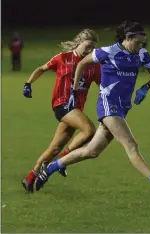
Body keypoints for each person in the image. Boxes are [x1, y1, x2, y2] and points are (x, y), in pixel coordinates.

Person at [36, 21, 150, 197]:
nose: (140, 46)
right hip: (108, 107)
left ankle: (51, 167)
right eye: (137, 42)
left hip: (122, 109)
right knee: (131, 146)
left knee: (92, 151)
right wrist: (74, 90)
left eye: (142, 43)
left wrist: (145, 87)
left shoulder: (142, 55)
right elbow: (82, 63)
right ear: (128, 38)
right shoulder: (108, 52)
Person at [22, 29, 101, 193]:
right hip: (62, 105)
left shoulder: (93, 66)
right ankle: (62, 162)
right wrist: (28, 84)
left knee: (54, 148)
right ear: (79, 42)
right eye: (87, 47)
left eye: (92, 48)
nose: (89, 51)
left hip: (75, 111)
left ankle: (30, 179)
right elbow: (41, 68)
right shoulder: (63, 58)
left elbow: (104, 86)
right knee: (89, 130)